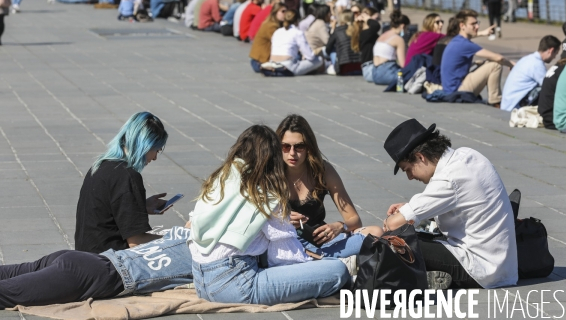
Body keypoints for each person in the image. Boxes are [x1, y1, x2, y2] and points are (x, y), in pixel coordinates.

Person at [189, 125, 349, 305]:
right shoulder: (264, 194)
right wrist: (318, 263)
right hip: (237, 284)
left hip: (201, 282)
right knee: (337, 270)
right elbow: (286, 256)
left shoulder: (220, 178)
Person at [383, 119, 518, 290]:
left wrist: (391, 220)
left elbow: (393, 224)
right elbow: (460, 202)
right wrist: (411, 208)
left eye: (408, 169)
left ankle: (419, 278)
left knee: (395, 241)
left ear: (420, 157)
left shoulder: (448, 179)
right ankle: (429, 275)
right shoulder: (467, 155)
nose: (410, 177)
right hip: (502, 264)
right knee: (416, 234)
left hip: (479, 268)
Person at [0, 226, 194, 308]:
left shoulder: (185, 235)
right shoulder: (206, 260)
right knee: (7, 293)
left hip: (87, 259)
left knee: (12, 274)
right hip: (92, 275)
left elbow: (186, 225)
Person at [277, 115, 383, 258]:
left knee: (376, 232)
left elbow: (354, 219)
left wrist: (340, 226)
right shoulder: (272, 173)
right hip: (284, 244)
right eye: (285, 146)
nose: (292, 153)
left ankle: (322, 260)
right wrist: (281, 218)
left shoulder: (322, 171)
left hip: (321, 242)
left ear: (309, 147)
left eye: (299, 146)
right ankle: (327, 261)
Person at [75, 112, 170, 254]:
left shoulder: (101, 165)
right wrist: (176, 240)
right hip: (109, 263)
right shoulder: (128, 176)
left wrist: (141, 206)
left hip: (86, 256)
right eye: (156, 150)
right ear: (145, 145)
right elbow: (136, 242)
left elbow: (105, 214)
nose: (155, 157)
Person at [440, 9, 515, 107]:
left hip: (449, 88)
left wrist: (482, 33)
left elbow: (469, 36)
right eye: (473, 24)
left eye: (477, 23)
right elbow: (498, 58)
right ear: (462, 25)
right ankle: (496, 101)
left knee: (484, 62)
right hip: (458, 91)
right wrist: (513, 64)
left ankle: (494, 100)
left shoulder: (456, 40)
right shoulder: (465, 44)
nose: (477, 26)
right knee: (495, 64)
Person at [500, 35, 561, 111]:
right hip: (514, 108)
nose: (555, 57)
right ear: (551, 50)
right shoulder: (537, 64)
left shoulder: (528, 58)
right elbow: (550, 87)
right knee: (548, 91)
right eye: (556, 53)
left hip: (507, 104)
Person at [267, 9, 323, 76]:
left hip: (273, 63)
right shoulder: (297, 33)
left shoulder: (277, 32)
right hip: (288, 66)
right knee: (319, 60)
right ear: (297, 21)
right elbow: (310, 56)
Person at [371, 11, 410, 85]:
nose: (406, 31)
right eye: (407, 28)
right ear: (402, 26)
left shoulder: (381, 36)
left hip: (375, 74)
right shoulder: (398, 39)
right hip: (388, 72)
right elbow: (403, 64)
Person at [249, 3, 287, 72]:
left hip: (260, 60)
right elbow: (281, 43)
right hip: (260, 62)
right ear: (275, 12)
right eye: (283, 11)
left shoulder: (273, 24)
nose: (285, 14)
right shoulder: (271, 26)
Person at [325, 10, 362, 76]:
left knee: (333, 49)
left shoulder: (338, 30)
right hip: (359, 65)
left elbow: (328, 48)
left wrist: (332, 30)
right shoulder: (358, 29)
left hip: (344, 67)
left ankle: (333, 66)